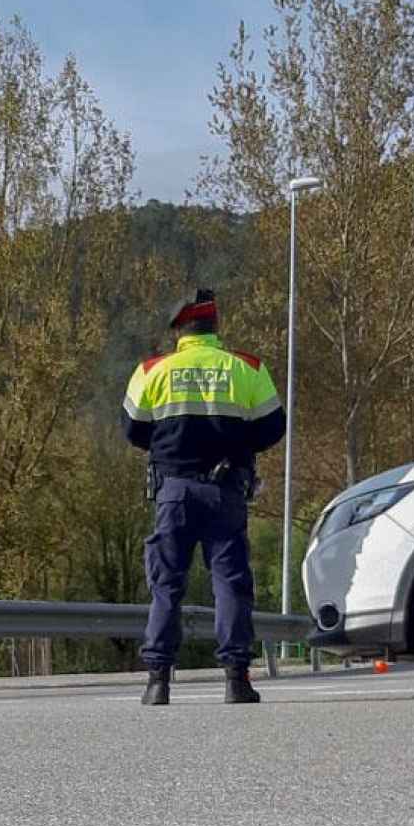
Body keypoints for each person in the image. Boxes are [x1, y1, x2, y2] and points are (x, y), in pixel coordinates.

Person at [121, 289, 287, 706]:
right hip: (225, 489)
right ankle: (236, 680)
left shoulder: (152, 370)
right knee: (230, 584)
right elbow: (272, 427)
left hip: (172, 490)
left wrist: (169, 446)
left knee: (166, 585)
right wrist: (236, 446)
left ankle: (157, 681)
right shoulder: (246, 368)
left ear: (178, 329)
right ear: (215, 327)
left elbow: (132, 429)